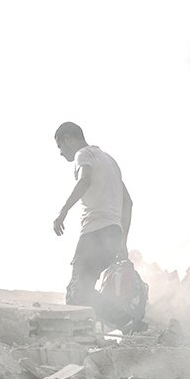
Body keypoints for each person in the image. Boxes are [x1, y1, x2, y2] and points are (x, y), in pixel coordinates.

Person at [52, 121, 133, 321]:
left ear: (69, 138)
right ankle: (128, 321)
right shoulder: (110, 161)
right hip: (113, 234)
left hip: (95, 234)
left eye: (60, 146)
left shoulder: (83, 155)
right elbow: (128, 203)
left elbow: (85, 179)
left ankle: (124, 321)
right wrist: (122, 241)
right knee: (83, 290)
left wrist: (63, 211)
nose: (60, 153)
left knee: (77, 292)